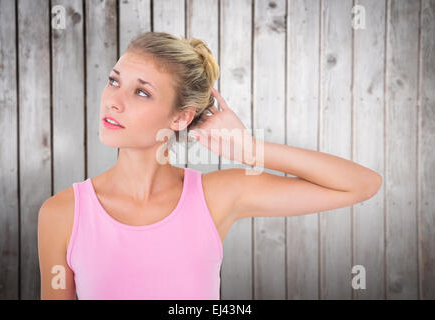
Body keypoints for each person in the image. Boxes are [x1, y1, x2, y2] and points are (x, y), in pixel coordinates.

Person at [38, 31, 382, 300]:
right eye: (114, 81)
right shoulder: (62, 213)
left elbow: (361, 184)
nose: (113, 100)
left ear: (180, 117)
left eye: (141, 92)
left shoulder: (216, 196)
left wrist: (251, 150)